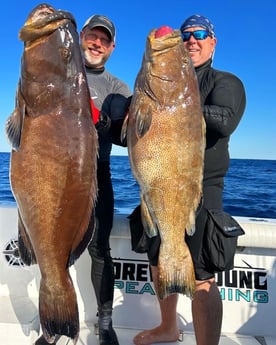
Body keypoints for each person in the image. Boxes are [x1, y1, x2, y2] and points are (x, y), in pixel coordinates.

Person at [133, 14, 246, 345]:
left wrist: (175, 105)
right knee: (159, 261)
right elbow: (132, 135)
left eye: (200, 34)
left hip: (200, 191)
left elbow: (223, 121)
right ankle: (168, 326)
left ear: (212, 42)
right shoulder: (152, 89)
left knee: (201, 278)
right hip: (156, 187)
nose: (191, 40)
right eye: (185, 36)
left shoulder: (226, 82)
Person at [35, 14, 131, 345]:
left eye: (104, 40)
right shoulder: (55, 71)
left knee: (100, 249)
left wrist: (109, 124)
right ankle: (51, 323)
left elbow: (125, 133)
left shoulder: (118, 87)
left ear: (112, 48)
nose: (96, 43)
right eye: (92, 35)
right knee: (48, 244)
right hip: (51, 174)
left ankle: (105, 324)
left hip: (95, 175)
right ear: (81, 38)